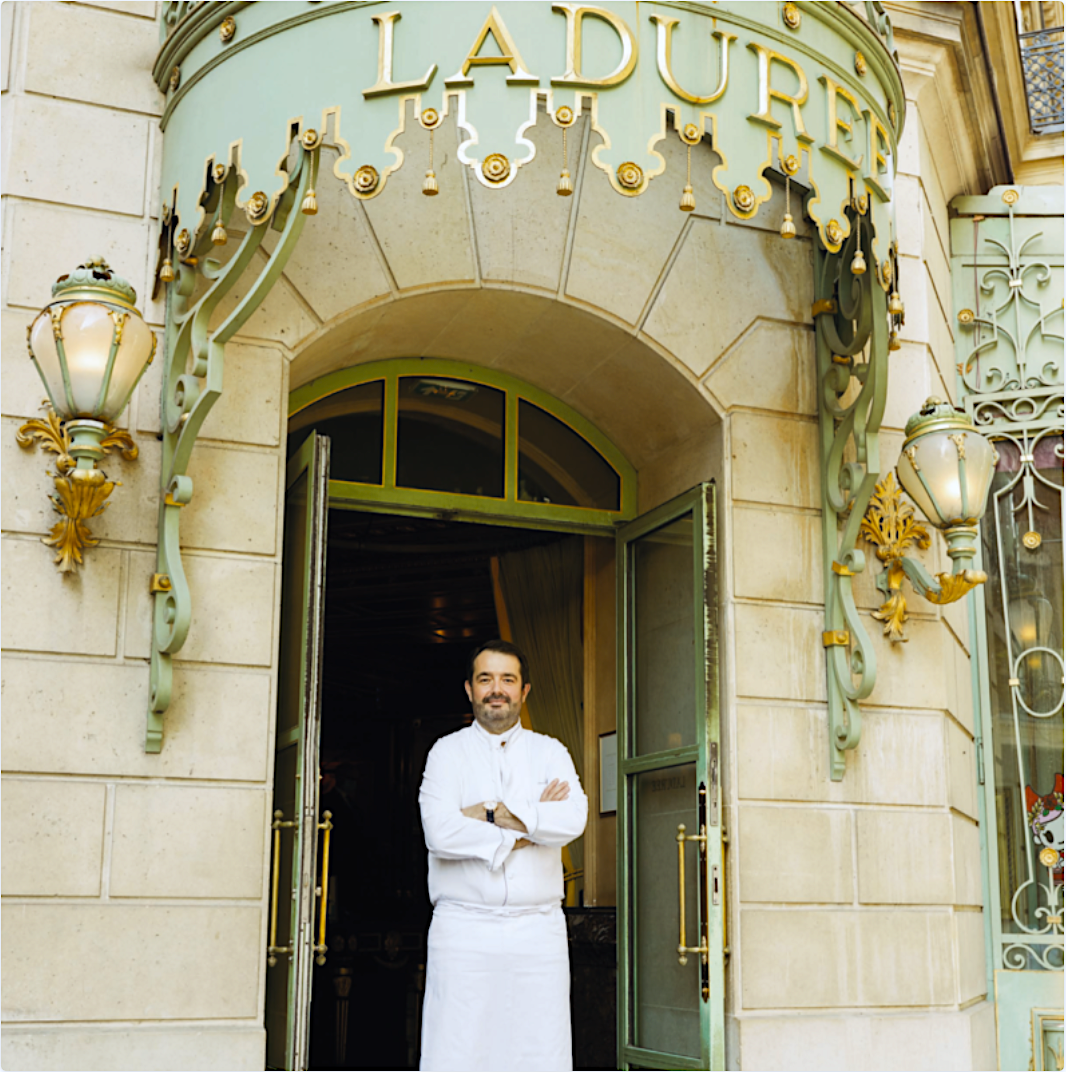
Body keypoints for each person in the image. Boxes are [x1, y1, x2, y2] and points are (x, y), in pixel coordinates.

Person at [418, 639, 588, 1072]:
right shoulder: (445, 753)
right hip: (464, 931)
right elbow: (440, 832)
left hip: (538, 934)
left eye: (507, 680)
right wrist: (532, 824)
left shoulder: (550, 751)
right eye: (485, 679)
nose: (497, 689)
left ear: (524, 690)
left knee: (540, 1052)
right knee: (457, 1051)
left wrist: (489, 814)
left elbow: (572, 820)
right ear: (469, 690)